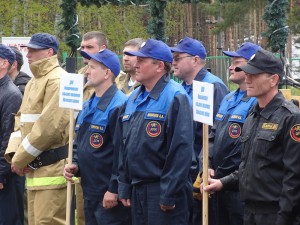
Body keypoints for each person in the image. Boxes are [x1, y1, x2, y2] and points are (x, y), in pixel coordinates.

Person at [203, 49, 300, 225]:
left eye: (254, 75)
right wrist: (222, 183)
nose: (247, 79)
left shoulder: (291, 117)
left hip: (276, 214)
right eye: (247, 74)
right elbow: (249, 167)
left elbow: (294, 177)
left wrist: (284, 217)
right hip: (250, 212)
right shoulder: (252, 116)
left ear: (274, 79)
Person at [117, 39, 194, 225]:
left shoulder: (176, 97)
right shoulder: (133, 98)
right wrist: (124, 184)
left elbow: (180, 151)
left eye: (142, 61)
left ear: (160, 66)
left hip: (161, 189)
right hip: (138, 189)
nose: (136, 64)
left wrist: (169, 192)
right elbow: (124, 146)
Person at [5, 33, 70, 225]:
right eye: (28, 49)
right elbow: (21, 121)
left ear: (50, 52)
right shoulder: (35, 81)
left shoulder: (58, 80)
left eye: (34, 50)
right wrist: (14, 155)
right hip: (33, 171)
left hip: (52, 170)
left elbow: (48, 128)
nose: (28, 54)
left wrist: (20, 159)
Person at [64, 48, 131, 225]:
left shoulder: (119, 105)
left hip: (108, 195)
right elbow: (79, 142)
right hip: (89, 191)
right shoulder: (87, 105)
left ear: (107, 72)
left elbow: (122, 154)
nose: (87, 71)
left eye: (92, 67)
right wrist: (74, 164)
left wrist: (114, 189)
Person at [170, 36, 229, 225]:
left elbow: (218, 133)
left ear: (195, 60)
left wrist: (205, 169)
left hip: (201, 173)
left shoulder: (212, 86)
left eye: (178, 58)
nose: (173, 62)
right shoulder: (181, 88)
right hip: (183, 172)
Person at [209, 42, 261, 225]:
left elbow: (247, 147)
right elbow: (212, 135)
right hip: (217, 183)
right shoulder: (228, 98)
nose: (231, 67)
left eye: (236, 62)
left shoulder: (256, 102)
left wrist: (223, 175)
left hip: (239, 188)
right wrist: (206, 164)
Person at [0, 44, 23, 225]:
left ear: (4, 63)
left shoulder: (11, 94)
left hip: (5, 176)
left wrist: (1, 174)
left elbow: (8, 137)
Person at [78, 31, 108, 100]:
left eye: (89, 47)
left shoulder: (115, 77)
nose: (84, 51)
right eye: (82, 47)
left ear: (102, 49)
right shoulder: (80, 73)